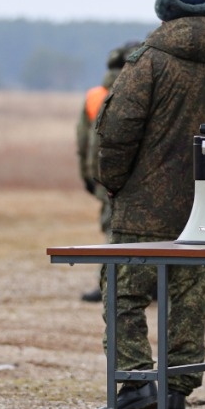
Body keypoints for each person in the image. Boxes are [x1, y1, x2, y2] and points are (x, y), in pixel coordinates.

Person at [94, 0, 205, 409]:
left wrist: (113, 182)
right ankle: (176, 393)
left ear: (164, 11)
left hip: (143, 207)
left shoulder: (147, 62)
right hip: (203, 207)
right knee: (189, 299)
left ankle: (136, 382)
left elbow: (118, 130)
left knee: (123, 293)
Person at [76, 41, 135, 303]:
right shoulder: (145, 90)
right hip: (141, 180)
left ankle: (110, 286)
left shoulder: (95, 95)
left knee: (112, 232)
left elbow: (84, 143)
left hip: (104, 177)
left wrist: (89, 177)